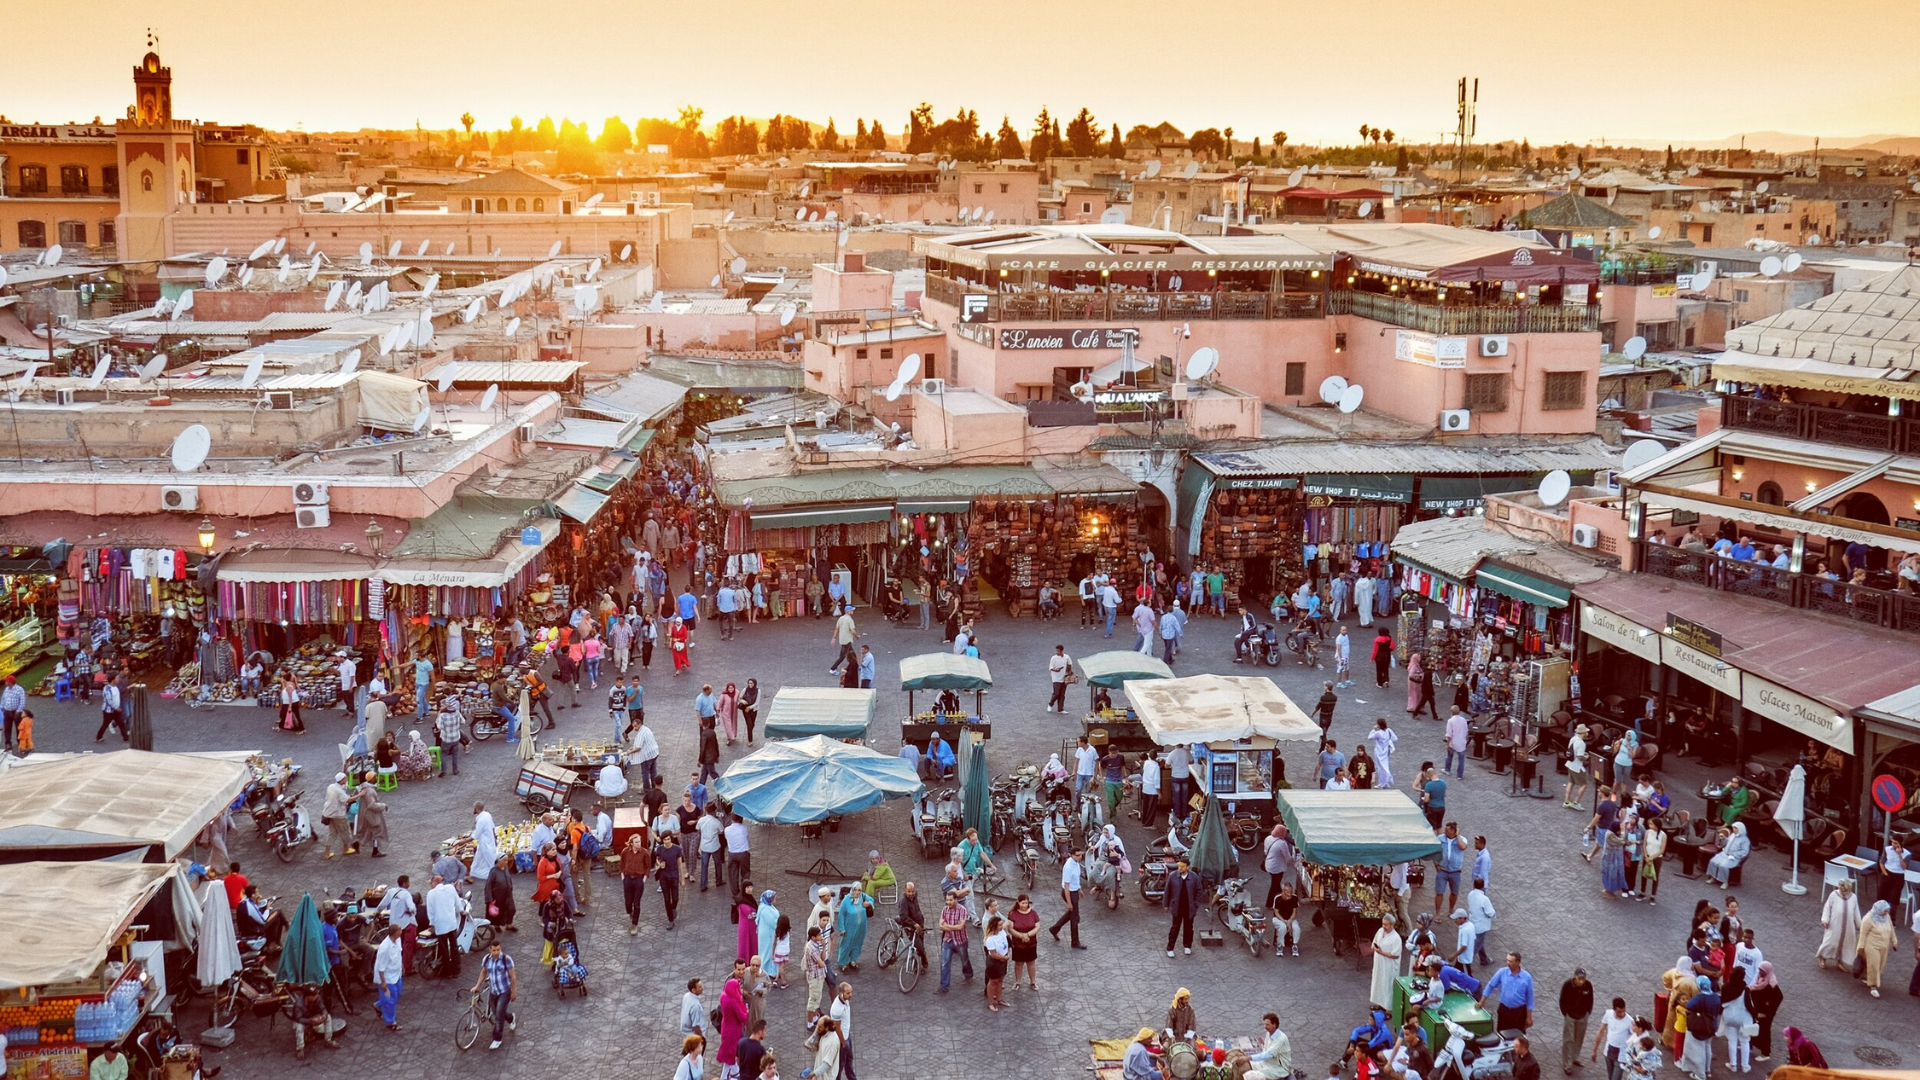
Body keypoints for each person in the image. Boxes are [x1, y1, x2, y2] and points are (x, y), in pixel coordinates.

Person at [1480, 952, 1536, 1032]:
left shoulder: (1527, 977)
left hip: (1519, 1012)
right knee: (1502, 1034)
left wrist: (1529, 1017)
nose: (1508, 963)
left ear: (1518, 962)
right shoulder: (1502, 972)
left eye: (1511, 961)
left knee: (1518, 1035)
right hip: (1504, 1010)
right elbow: (1491, 985)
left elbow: (1529, 999)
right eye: (1507, 960)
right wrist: (1482, 1002)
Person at [1681, 975, 1720, 1080]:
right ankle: (1708, 1069)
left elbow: (1689, 1006)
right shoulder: (1715, 996)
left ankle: (1700, 1074)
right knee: (1708, 1047)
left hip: (1701, 1026)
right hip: (1711, 1026)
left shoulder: (1700, 997)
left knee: (1698, 1051)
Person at [1856, 900, 1898, 998]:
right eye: (1885, 911)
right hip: (1872, 946)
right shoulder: (1868, 919)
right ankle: (1873, 987)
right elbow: (1863, 934)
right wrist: (1860, 948)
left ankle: (1866, 976)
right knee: (1874, 965)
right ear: (1878, 910)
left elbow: (1891, 930)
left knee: (1880, 964)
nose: (1887, 913)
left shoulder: (1886, 917)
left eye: (1887, 911)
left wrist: (1894, 942)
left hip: (1884, 946)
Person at [1817, 878, 1862, 969]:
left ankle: (1840, 962)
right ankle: (1823, 957)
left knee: (1846, 944)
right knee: (1831, 942)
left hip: (1848, 927)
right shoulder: (1834, 895)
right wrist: (1825, 920)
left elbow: (1856, 912)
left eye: (1842, 885)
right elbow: (1827, 908)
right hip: (1835, 924)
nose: (1840, 887)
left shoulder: (1853, 897)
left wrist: (1860, 925)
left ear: (1847, 887)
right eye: (1839, 885)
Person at [937, 880, 973, 992]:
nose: (948, 902)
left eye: (950, 900)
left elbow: (960, 927)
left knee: (965, 960)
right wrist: (953, 926)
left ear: (956, 900)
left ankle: (968, 975)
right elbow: (940, 926)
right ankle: (944, 986)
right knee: (944, 964)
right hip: (948, 940)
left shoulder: (962, 910)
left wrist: (947, 926)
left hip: (960, 940)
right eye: (947, 900)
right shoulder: (944, 910)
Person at [1164, 854, 1202, 957]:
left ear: (1188, 867)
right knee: (1175, 928)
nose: (1180, 868)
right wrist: (1166, 904)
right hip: (1177, 907)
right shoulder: (1173, 876)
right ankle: (1170, 948)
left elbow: (1199, 892)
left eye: (1182, 866)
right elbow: (1167, 891)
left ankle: (1187, 946)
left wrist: (1195, 905)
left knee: (1188, 928)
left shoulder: (1194, 877)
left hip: (1189, 908)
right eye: (1179, 866)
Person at [1557, 972, 1593, 1076]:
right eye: (1579, 979)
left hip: (1583, 1016)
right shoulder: (1568, 985)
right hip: (1570, 1016)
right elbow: (1562, 1000)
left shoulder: (1588, 985)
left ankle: (1575, 1057)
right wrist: (1566, 1013)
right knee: (1569, 1039)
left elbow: (1590, 999)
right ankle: (1567, 1064)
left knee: (1579, 1038)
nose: (1581, 981)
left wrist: (1588, 1012)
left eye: (1583, 979)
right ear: (1575, 977)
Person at [372, 925, 405, 1032]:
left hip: (396, 974)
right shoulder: (385, 948)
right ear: (395, 933)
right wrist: (383, 982)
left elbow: (399, 954)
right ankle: (391, 1022)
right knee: (390, 1000)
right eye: (400, 930)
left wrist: (402, 966)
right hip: (387, 978)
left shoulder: (398, 940)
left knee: (397, 994)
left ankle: (379, 1005)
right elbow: (381, 967)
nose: (401, 931)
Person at [1050, 846, 1085, 948]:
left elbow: (1076, 879)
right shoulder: (1069, 867)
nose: (1080, 857)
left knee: (1071, 914)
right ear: (1072, 855)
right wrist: (1069, 903)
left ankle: (1054, 929)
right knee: (1074, 918)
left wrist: (1079, 888)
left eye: (1081, 855)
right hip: (1070, 893)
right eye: (1077, 855)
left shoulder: (1076, 863)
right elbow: (1066, 886)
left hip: (1074, 891)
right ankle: (1075, 942)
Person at [1006, 893, 1041, 991]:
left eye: (1026, 903)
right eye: (1023, 903)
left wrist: (1028, 935)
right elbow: (1010, 928)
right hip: (1018, 943)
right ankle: (1017, 982)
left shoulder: (1033, 913)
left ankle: (1033, 982)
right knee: (1018, 963)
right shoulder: (1013, 913)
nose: (1025, 905)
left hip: (1031, 943)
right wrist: (1021, 936)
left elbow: (1037, 927)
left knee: (1031, 963)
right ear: (1018, 902)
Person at [1370, 913, 1404, 1008]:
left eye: (1386, 925)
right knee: (1378, 983)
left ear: (1392, 925)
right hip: (1379, 964)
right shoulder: (1380, 931)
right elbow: (1374, 941)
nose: (1383, 926)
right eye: (1383, 924)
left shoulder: (1396, 938)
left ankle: (1387, 1008)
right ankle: (1379, 1003)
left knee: (1387, 986)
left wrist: (1381, 952)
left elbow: (1395, 955)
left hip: (1389, 967)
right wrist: (1375, 947)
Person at [835, 886, 872, 972]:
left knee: (857, 944)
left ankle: (853, 961)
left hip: (861, 928)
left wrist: (869, 903)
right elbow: (841, 915)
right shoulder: (846, 901)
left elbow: (871, 900)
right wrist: (842, 929)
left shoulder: (862, 896)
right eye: (855, 890)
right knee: (846, 945)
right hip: (849, 928)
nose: (857, 892)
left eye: (859, 890)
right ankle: (842, 963)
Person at [1249, 1013, 1293, 1079]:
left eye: (1267, 1025)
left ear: (1274, 1025)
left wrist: (1249, 1057)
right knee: (1248, 1064)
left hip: (1280, 1069)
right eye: (1265, 1024)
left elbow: (1268, 1054)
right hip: (1266, 1063)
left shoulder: (1281, 1038)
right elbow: (1265, 1051)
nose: (1265, 1027)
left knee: (1256, 1075)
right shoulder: (1268, 1034)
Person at [1706, 823, 1750, 889]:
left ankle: (1724, 882)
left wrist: (1734, 854)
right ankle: (1713, 878)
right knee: (1713, 861)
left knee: (1723, 866)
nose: (1734, 829)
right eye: (1733, 828)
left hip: (1734, 857)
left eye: (1735, 828)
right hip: (1725, 853)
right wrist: (1724, 838)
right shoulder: (1732, 835)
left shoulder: (1745, 840)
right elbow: (1727, 843)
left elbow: (1745, 851)